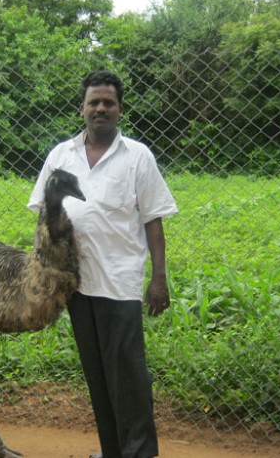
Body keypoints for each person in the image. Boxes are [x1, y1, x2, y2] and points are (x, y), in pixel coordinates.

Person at [27, 70, 178, 458]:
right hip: (76, 284)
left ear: (120, 111)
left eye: (108, 103)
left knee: (127, 375)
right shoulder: (61, 155)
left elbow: (153, 220)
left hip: (119, 282)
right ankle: (113, 451)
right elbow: (43, 216)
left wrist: (158, 279)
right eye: (94, 102)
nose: (100, 108)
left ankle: (139, 453)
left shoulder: (137, 156)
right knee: (96, 374)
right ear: (82, 108)